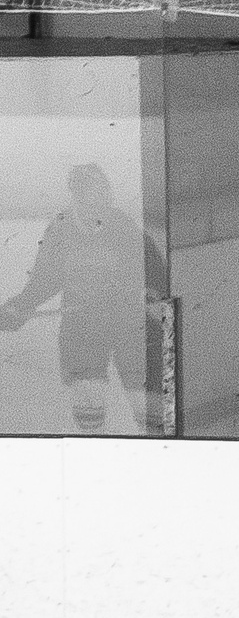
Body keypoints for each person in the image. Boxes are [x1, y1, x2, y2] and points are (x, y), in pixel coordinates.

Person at [0, 163, 165, 435]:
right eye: (89, 192)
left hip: (128, 323)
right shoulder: (61, 229)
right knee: (88, 404)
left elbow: (153, 272)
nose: (97, 199)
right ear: (75, 195)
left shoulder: (123, 225)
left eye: (102, 191)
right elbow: (45, 279)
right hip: (81, 328)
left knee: (148, 405)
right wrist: (19, 308)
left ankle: (160, 450)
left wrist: (149, 296)